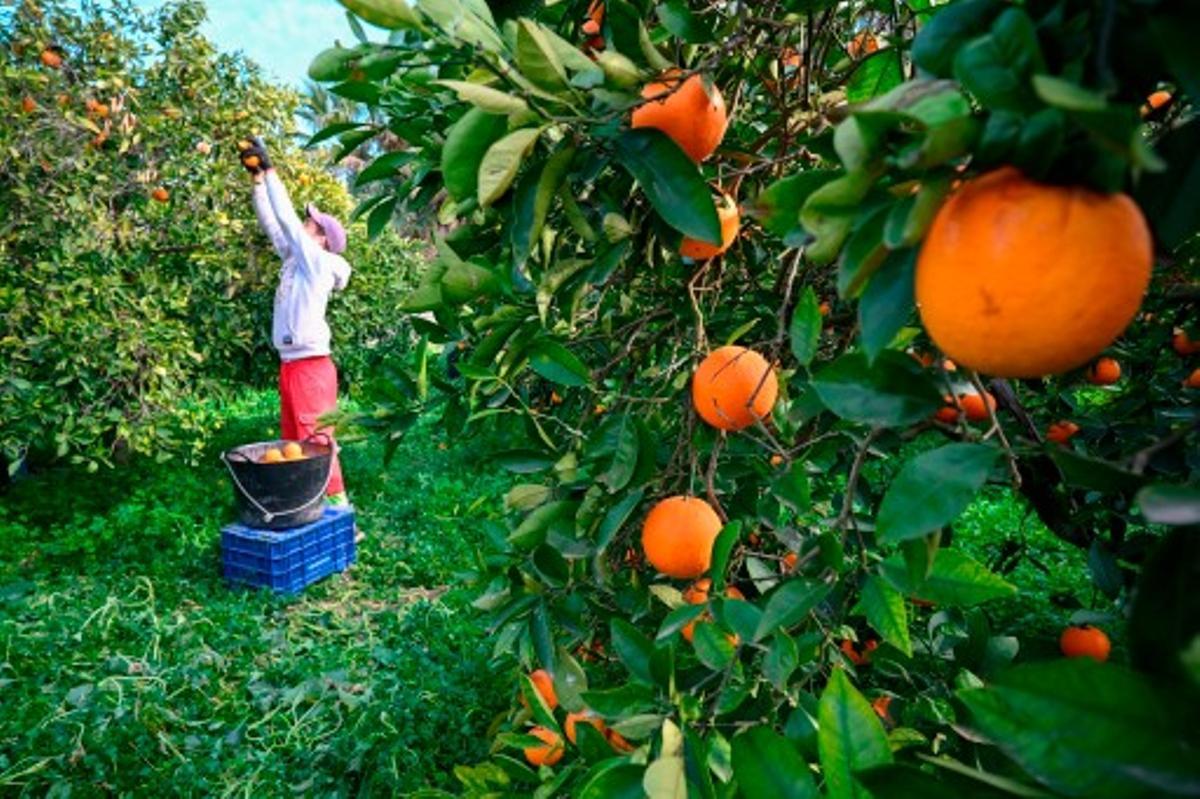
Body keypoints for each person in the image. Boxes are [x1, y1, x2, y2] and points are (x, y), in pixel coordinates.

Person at [238, 136, 351, 507]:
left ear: (321, 241)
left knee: (317, 441)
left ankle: (341, 515)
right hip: (292, 366)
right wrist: (257, 183)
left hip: (311, 367)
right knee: (295, 442)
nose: (304, 224)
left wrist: (271, 172)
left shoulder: (316, 263)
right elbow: (274, 224)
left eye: (310, 224)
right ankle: (307, 506)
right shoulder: (295, 261)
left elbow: (285, 220)